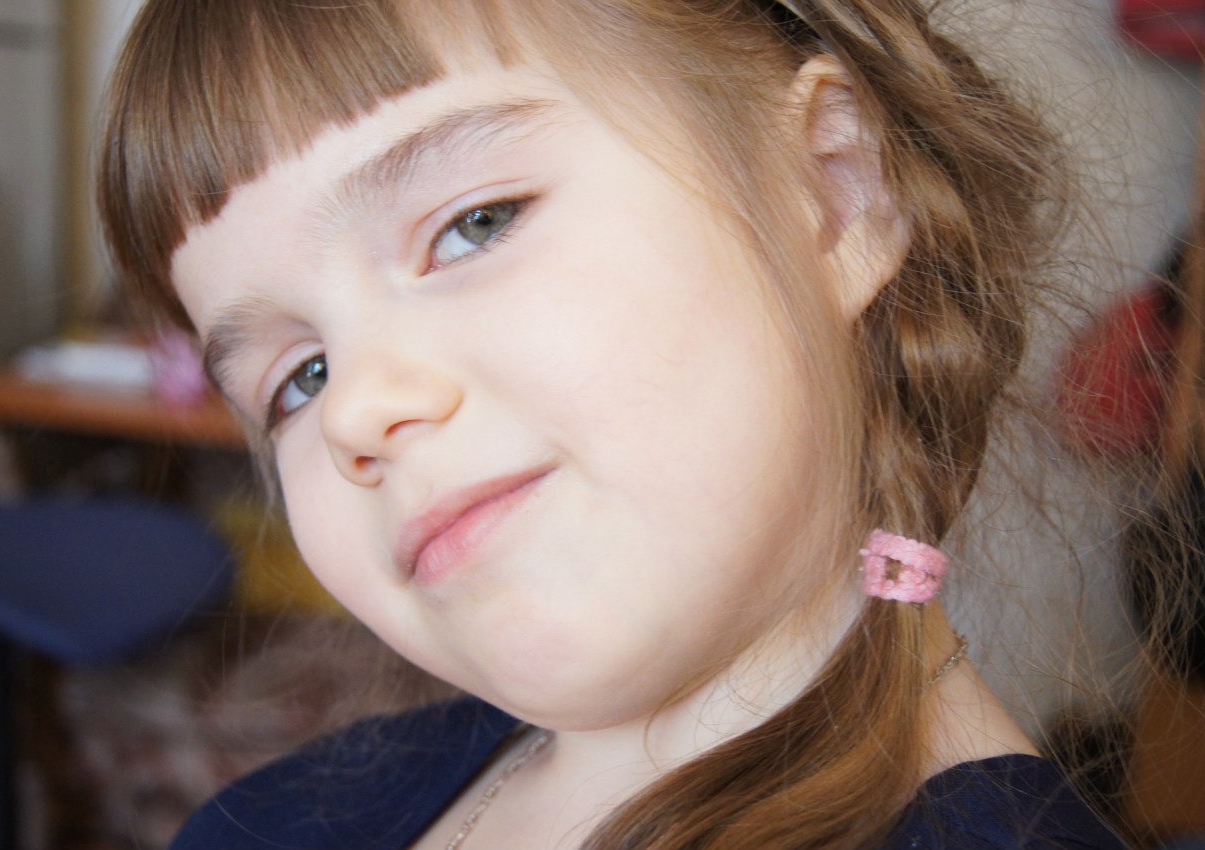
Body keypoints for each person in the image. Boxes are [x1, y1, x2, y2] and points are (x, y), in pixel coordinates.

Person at [96, 1, 1129, 847]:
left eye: (474, 226)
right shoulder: (260, 823)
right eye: (299, 378)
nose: (354, 412)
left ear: (832, 188)